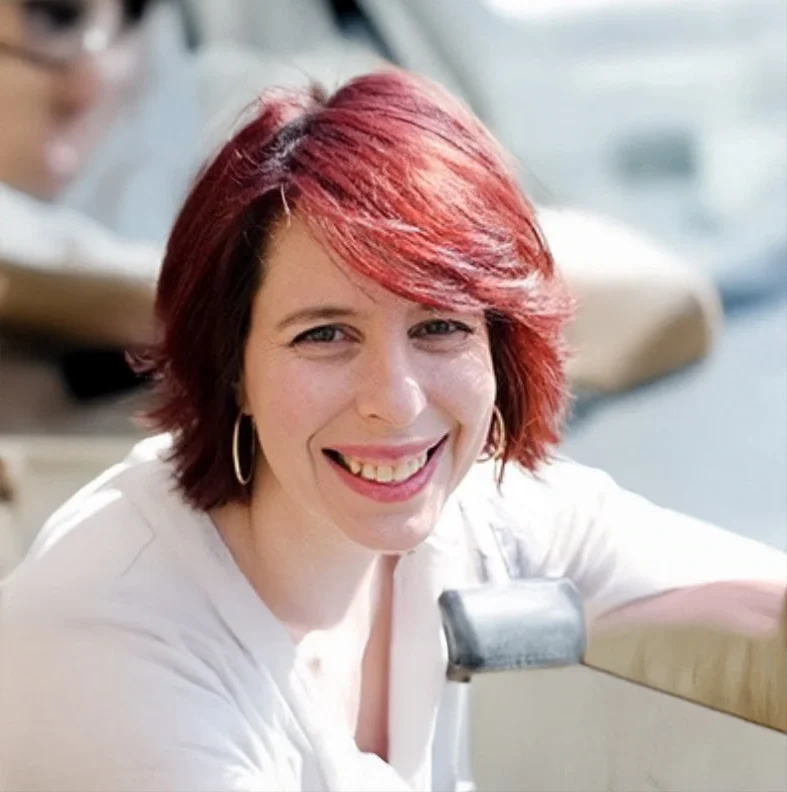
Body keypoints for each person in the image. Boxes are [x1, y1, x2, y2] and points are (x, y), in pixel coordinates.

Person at [0, 68, 781, 792]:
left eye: (439, 325)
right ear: (231, 367)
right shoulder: (121, 650)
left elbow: (753, 601)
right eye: (324, 335)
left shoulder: (472, 513)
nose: (396, 401)